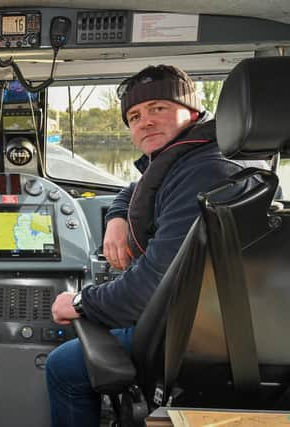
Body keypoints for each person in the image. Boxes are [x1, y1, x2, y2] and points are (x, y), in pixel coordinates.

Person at [45, 65, 261, 427]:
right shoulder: (208, 157)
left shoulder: (207, 171)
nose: (144, 122)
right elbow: (140, 187)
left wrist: (81, 302)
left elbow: (153, 286)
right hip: (225, 319)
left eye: (158, 108)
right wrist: (117, 217)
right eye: (134, 115)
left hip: (190, 332)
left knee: (63, 366)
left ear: (192, 111)